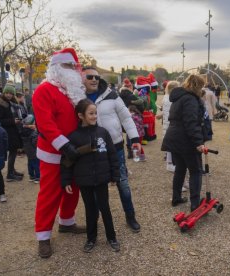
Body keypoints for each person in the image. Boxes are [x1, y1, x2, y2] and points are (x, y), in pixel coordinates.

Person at [32, 48, 87, 258]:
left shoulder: (72, 90)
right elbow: (45, 124)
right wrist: (64, 146)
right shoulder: (44, 90)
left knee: (73, 189)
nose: (73, 70)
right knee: (50, 194)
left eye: (74, 66)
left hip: (76, 151)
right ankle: (43, 236)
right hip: (54, 153)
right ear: (56, 67)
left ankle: (67, 222)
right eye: (68, 66)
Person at [82, 66, 141, 233]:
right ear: (82, 78)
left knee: (122, 183)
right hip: (91, 149)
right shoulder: (77, 98)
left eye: (96, 76)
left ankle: (130, 216)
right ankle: (94, 218)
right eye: (90, 76)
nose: (94, 79)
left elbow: (126, 118)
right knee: (95, 186)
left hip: (115, 147)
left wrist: (134, 138)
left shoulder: (112, 95)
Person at [61, 99, 121, 253]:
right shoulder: (73, 137)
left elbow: (112, 155)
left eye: (95, 113)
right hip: (84, 180)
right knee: (90, 209)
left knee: (105, 208)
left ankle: (111, 237)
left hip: (101, 179)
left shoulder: (103, 132)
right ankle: (91, 238)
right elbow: (67, 161)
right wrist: (66, 180)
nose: (94, 116)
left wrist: (115, 175)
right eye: (91, 113)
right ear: (81, 115)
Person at [161, 74, 207, 211]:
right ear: (198, 86)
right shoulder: (190, 99)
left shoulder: (179, 97)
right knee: (196, 171)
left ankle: (176, 197)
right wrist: (198, 142)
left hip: (174, 138)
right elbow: (191, 122)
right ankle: (195, 204)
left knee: (180, 169)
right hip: (185, 140)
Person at [0, 84, 24, 181]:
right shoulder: (0, 104)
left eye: (11, 93)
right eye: (7, 93)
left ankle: (12, 170)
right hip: (6, 132)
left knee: (13, 152)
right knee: (12, 151)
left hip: (11, 130)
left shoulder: (8, 102)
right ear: (3, 92)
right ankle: (10, 174)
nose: (9, 95)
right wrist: (12, 121)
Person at [156, 80, 180, 172]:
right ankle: (171, 163)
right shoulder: (172, 99)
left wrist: (161, 115)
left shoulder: (166, 97)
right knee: (173, 145)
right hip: (171, 123)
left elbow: (166, 111)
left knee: (170, 144)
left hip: (167, 122)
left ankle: (170, 162)